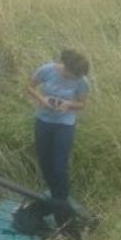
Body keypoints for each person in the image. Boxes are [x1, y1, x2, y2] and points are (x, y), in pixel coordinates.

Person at [26, 49, 90, 213]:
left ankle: (62, 204)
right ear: (66, 68)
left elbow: (82, 104)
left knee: (60, 166)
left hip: (65, 124)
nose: (74, 79)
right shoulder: (47, 70)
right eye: (71, 76)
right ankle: (55, 198)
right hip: (43, 121)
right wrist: (41, 100)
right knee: (45, 162)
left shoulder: (82, 81)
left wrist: (68, 105)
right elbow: (29, 87)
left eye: (77, 77)